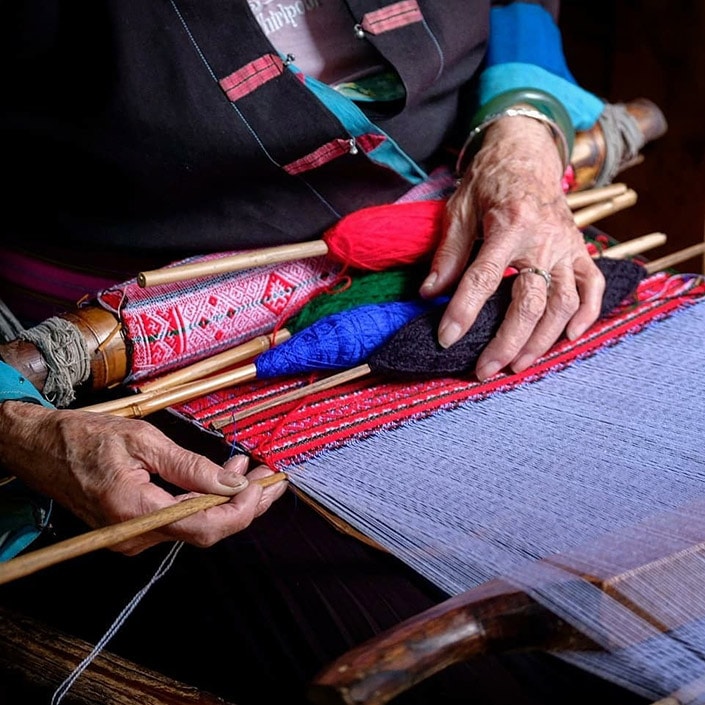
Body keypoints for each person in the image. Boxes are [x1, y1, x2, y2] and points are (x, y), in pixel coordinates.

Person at [0, 2, 646, 704]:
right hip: (130, 374)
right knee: (481, 673)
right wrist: (18, 424)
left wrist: (522, 131)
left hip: (455, 226)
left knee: (646, 568)